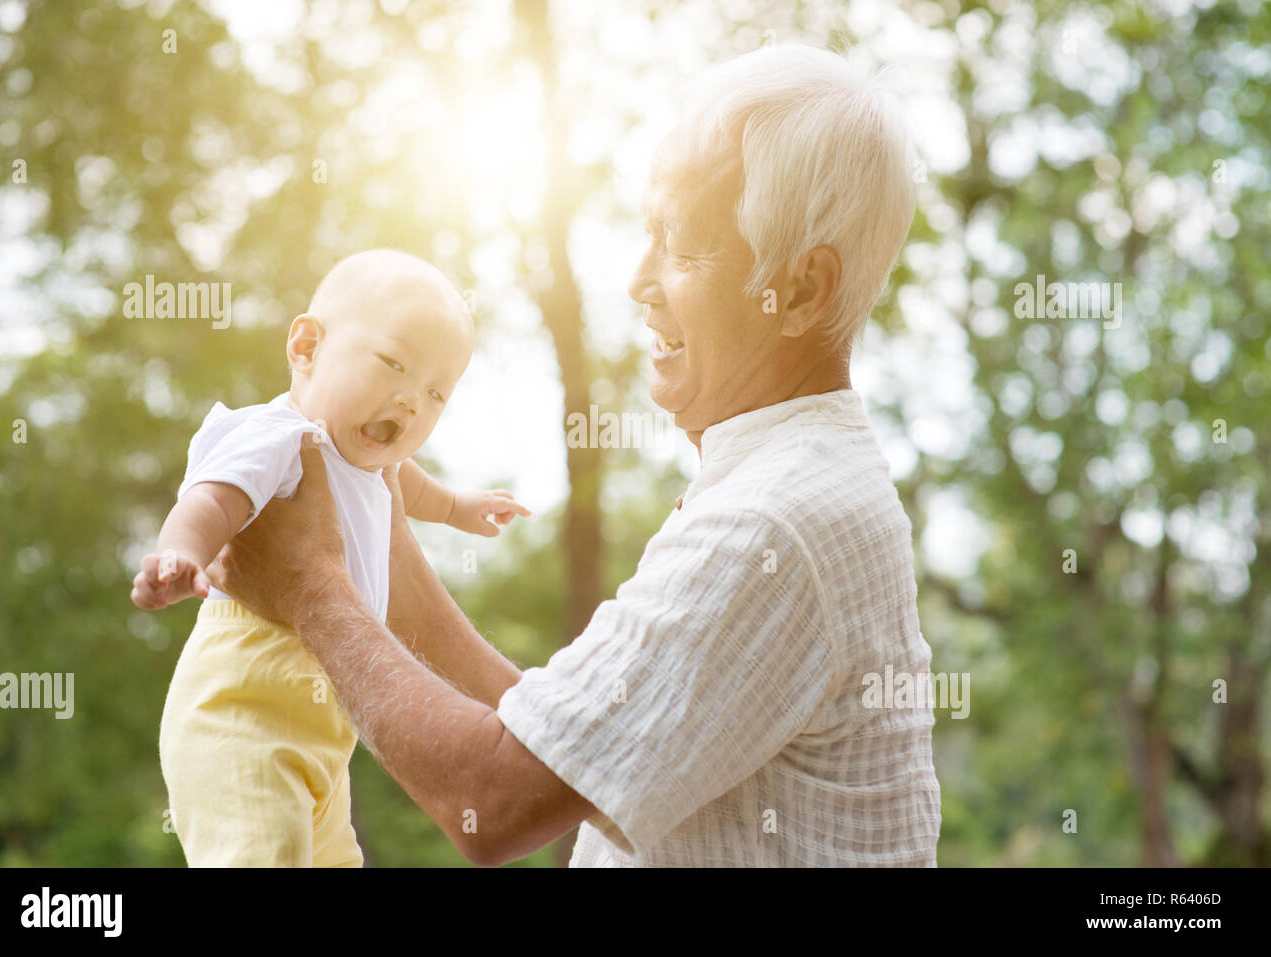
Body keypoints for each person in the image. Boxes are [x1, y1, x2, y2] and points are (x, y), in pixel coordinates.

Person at [207, 43, 941, 867]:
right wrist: (371, 524)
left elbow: (494, 798)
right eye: (647, 235)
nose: (638, 280)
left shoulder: (772, 525)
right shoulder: (789, 482)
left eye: (681, 246)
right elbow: (569, 742)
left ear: (802, 288)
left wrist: (312, 589)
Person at [130, 249, 530, 866]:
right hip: (244, 702)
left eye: (435, 392)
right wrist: (180, 552)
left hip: (323, 726)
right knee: (263, 852)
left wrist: (460, 509)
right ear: (306, 347)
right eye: (393, 363)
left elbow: (414, 488)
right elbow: (213, 499)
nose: (410, 400)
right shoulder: (280, 436)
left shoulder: (377, 465)